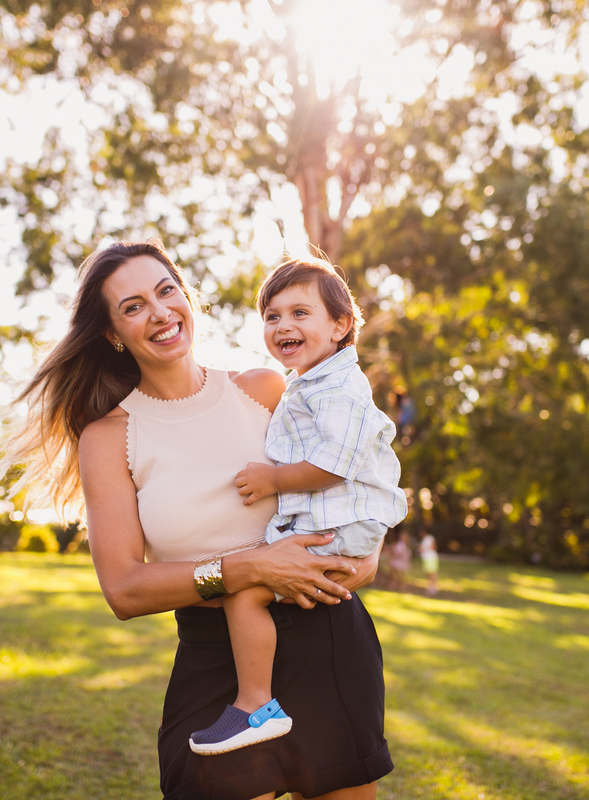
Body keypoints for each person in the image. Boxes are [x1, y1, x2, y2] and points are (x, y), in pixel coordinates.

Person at [0, 240, 393, 800]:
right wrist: (249, 569)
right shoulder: (109, 437)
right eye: (132, 307)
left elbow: (349, 473)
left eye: (165, 291)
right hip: (213, 653)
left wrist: (363, 557)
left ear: (185, 297)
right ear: (112, 333)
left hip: (322, 631)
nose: (158, 312)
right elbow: (125, 590)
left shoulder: (268, 390)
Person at [191, 257, 407, 756]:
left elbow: (333, 464)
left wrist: (272, 481)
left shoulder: (339, 388)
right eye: (272, 315)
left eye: (300, 313)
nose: (283, 324)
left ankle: (255, 707)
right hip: (330, 523)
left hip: (339, 528)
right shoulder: (312, 384)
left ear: (340, 324)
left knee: (244, 594)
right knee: (254, 585)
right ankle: (259, 701)